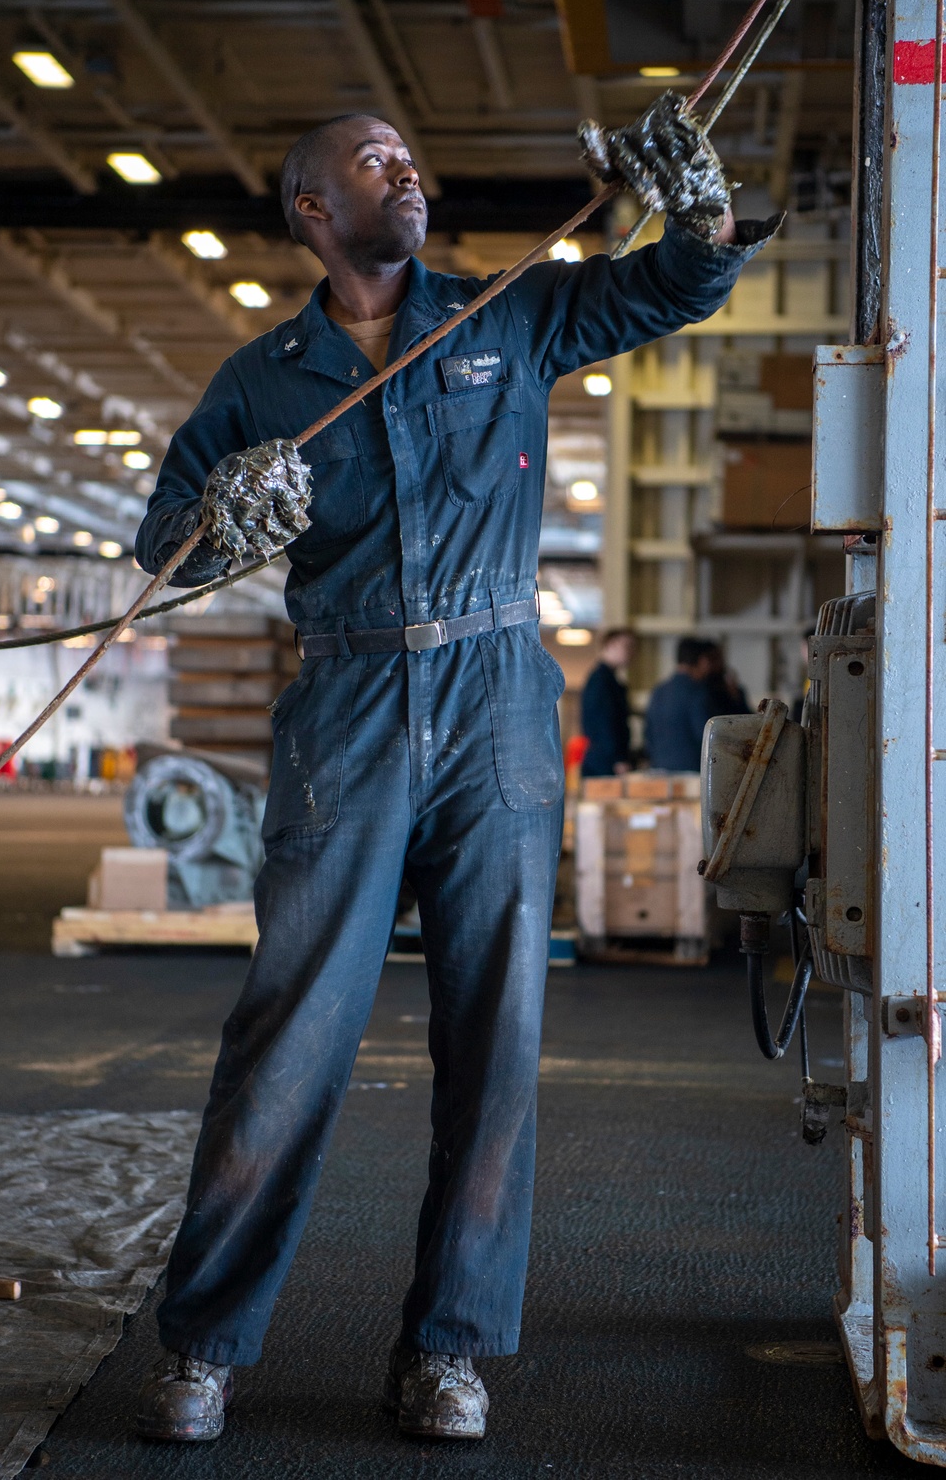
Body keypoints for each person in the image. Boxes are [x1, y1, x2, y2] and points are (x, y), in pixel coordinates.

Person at [132, 109, 776, 1445]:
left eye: (406, 155)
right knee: (290, 1038)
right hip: (350, 706)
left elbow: (673, 283)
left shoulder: (510, 314)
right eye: (370, 160)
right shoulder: (265, 382)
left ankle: (450, 1350)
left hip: (496, 703)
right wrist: (219, 518)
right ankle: (203, 1344)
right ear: (313, 210)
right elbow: (164, 553)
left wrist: (700, 214)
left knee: (498, 1040)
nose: (404, 169)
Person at [645, 637, 717, 772]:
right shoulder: (697, 692)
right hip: (691, 771)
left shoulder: (658, 691)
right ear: (702, 661)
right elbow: (705, 736)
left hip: (659, 769)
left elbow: (648, 734)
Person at [580, 627, 634, 776]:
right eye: (626, 646)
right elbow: (604, 722)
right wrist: (617, 759)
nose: (631, 652)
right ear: (610, 645)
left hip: (605, 759)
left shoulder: (608, 679)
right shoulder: (601, 681)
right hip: (605, 763)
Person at [702, 640, 750, 718]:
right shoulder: (702, 690)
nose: (719, 663)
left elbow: (747, 716)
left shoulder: (731, 689)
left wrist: (735, 695)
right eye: (714, 659)